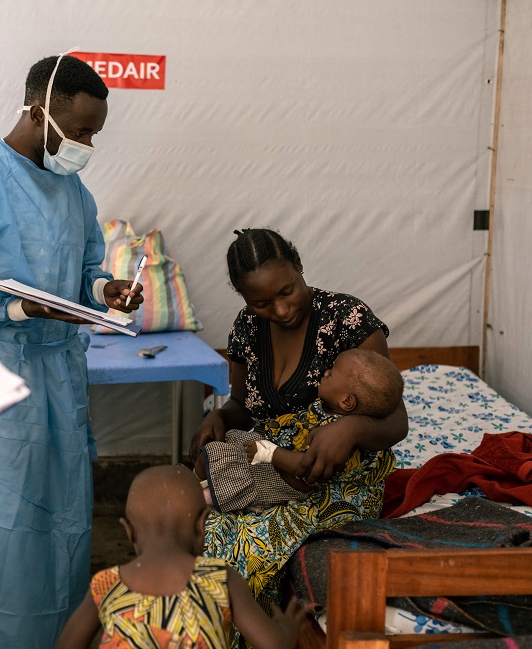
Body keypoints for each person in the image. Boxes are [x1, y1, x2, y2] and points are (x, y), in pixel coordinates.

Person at [0, 52, 143, 647]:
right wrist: (18, 306)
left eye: (95, 132)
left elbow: (85, 263)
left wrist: (104, 287)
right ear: (41, 112)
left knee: (64, 523)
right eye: (83, 130)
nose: (87, 144)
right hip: (1, 379)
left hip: (59, 376)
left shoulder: (71, 187)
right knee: (7, 529)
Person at [187, 228, 407, 635]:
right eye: (261, 303)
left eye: (287, 291)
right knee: (194, 525)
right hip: (272, 467)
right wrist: (217, 418)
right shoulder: (247, 329)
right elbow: (241, 405)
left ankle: (244, 635)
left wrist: (352, 428)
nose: (281, 309)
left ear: (300, 268)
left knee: (232, 544)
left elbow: (395, 418)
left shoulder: (348, 319)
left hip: (329, 478)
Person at [57, 465, 311, 649]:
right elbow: (273, 645)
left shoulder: (105, 585)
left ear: (129, 531)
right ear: (203, 524)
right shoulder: (221, 580)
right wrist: (287, 630)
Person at [195, 348, 403, 511]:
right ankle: (203, 481)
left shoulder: (336, 437)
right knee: (227, 442)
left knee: (235, 474)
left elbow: (304, 468)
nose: (326, 372)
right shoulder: (325, 408)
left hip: (285, 478)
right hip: (277, 453)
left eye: (332, 373)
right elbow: (296, 423)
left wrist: (269, 453)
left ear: (347, 401)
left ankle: (205, 497)